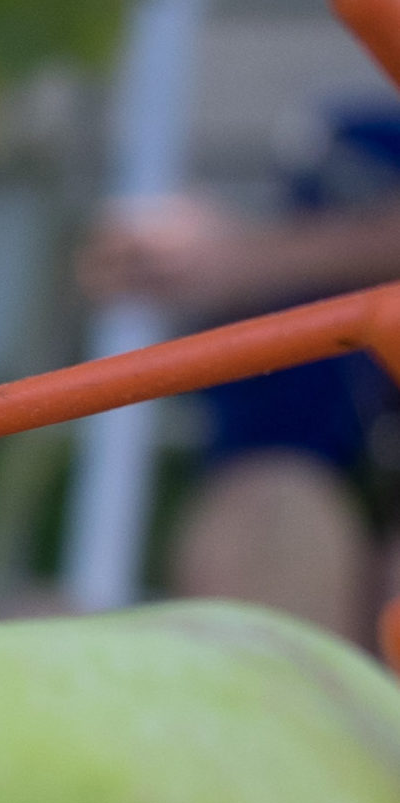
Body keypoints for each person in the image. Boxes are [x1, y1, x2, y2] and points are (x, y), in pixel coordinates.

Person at [80, 85, 400, 641]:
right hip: (307, 442)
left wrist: (248, 258)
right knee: (275, 512)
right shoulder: (354, 151)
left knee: (276, 515)